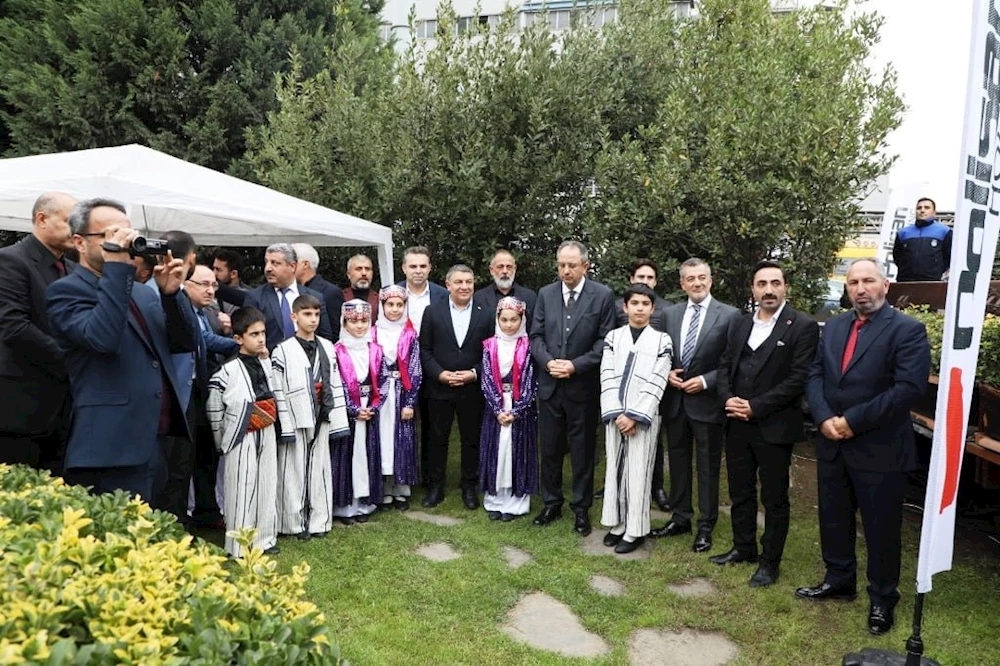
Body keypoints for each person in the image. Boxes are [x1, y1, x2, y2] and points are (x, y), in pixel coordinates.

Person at [798, 258, 930, 636]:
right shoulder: (836, 325)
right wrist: (823, 417)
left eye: (868, 280)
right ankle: (839, 579)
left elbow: (908, 390)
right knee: (834, 518)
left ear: (885, 285)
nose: (860, 288)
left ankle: (883, 598)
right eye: (853, 282)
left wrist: (851, 421)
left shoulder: (907, 330)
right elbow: (816, 373)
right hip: (832, 442)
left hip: (879, 447)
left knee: (881, 528)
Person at [47, 198, 196, 501]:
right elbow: (102, 340)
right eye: (111, 236)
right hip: (109, 448)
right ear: (79, 242)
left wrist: (171, 294)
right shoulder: (65, 291)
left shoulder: (142, 294)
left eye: (126, 234)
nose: (123, 242)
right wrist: (117, 268)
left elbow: (184, 343)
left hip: (155, 441)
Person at [710, 261, 819, 588]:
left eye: (775, 283)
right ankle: (743, 548)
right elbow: (726, 365)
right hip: (737, 424)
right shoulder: (740, 324)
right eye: (761, 284)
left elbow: (798, 379)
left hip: (774, 426)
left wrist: (755, 407)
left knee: (774, 498)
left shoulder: (802, 326)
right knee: (740, 491)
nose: (768, 289)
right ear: (753, 289)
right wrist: (727, 398)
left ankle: (770, 562)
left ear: (785, 286)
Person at [650, 258, 739, 553]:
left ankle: (706, 525)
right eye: (691, 279)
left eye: (702, 278)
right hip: (675, 402)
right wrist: (667, 372)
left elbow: (731, 363)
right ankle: (680, 517)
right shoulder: (669, 314)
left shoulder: (729, 315)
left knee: (707, 466)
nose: (697, 283)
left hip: (707, 403)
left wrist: (705, 381)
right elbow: (659, 352)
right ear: (682, 284)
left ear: (711, 281)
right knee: (677, 463)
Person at [530, 240, 616, 537]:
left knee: (582, 452)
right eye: (561, 265)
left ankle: (581, 509)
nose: (565, 270)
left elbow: (605, 342)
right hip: (550, 385)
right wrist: (548, 362)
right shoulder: (546, 293)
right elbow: (536, 336)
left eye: (571, 265)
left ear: (585, 266)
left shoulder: (602, 295)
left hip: (582, 388)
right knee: (550, 449)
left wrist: (575, 365)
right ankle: (551, 502)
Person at [206, 307, 292, 557]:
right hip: (241, 434)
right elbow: (214, 408)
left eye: (263, 333)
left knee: (267, 484)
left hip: (266, 430)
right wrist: (223, 440)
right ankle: (239, 543)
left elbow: (276, 394)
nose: (261, 339)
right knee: (241, 487)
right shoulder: (226, 371)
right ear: (238, 339)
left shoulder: (266, 365)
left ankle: (265, 538)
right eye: (254, 334)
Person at [0, 191, 76, 472]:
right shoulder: (10, 261)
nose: (76, 230)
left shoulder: (72, 269)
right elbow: (14, 327)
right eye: (69, 221)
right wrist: (73, 361)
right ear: (41, 219)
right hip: (19, 411)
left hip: (64, 414)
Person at [599, 284, 673, 554]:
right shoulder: (613, 337)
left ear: (652, 309)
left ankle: (635, 529)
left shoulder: (661, 340)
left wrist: (634, 415)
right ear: (625, 306)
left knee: (639, 471)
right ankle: (617, 523)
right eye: (635, 303)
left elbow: (658, 379)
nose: (639, 308)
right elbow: (606, 374)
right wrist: (617, 412)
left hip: (642, 417)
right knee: (615, 470)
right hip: (615, 416)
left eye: (645, 304)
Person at [272, 294, 349, 539]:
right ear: (294, 317)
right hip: (296, 415)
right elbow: (278, 390)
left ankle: (319, 521)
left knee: (320, 468)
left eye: (316, 314)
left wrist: (337, 417)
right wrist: (284, 424)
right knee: (291, 470)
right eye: (307, 314)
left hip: (322, 412)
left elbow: (335, 382)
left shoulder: (327, 346)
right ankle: (292, 523)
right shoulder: (282, 351)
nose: (313, 319)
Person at [419, 265, 495, 509]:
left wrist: (473, 374)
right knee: (436, 439)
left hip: (471, 388)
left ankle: (469, 487)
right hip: (439, 386)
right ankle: (435, 487)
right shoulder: (432, 312)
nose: (464, 287)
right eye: (459, 282)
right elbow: (424, 349)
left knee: (470, 439)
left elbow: (492, 352)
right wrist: (440, 374)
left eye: (469, 282)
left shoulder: (486, 314)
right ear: (448, 284)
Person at [611, 258, 671, 511]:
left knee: (653, 440)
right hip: (622, 385)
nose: (645, 281)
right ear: (631, 279)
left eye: (649, 278)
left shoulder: (666, 310)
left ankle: (655, 485)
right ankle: (616, 483)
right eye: (640, 277)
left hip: (652, 387)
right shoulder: (617, 308)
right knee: (618, 439)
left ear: (655, 282)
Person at [184, 264, 241, 529]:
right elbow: (203, 339)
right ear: (185, 283)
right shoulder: (182, 309)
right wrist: (239, 344)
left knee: (208, 453)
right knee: (188, 455)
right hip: (186, 392)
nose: (210, 290)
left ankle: (207, 511)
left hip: (205, 390)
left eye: (214, 285)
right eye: (203, 284)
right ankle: (187, 514)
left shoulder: (207, 312)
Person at [478, 296, 538, 521]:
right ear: (498, 319)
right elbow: (486, 378)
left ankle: (516, 503)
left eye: (514, 320)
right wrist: (497, 408)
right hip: (496, 407)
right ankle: (495, 499)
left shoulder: (528, 346)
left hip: (520, 409)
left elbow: (531, 381)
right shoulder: (489, 345)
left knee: (516, 452)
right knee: (497, 451)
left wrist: (517, 410)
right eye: (504, 320)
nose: (509, 324)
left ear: (521, 320)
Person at [396, 245, 448, 494]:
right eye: (413, 266)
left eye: (422, 266)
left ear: (430, 268)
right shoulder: (393, 292)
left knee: (431, 424)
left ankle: (430, 479)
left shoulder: (441, 294)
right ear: (404, 267)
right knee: (399, 423)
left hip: (430, 364)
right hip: (398, 367)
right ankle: (399, 477)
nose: (418, 271)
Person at [332, 300, 387, 524]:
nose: (359, 326)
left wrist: (373, 406)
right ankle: (345, 507)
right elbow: (337, 384)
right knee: (348, 457)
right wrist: (352, 410)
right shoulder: (337, 351)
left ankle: (365, 503)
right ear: (344, 322)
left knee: (367, 454)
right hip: (348, 414)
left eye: (364, 321)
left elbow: (382, 382)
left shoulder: (375, 350)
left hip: (369, 410)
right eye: (353, 321)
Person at [217, 243, 333, 351]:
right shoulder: (255, 298)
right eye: (266, 262)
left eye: (275, 263)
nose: (268, 268)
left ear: (292, 266)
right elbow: (249, 338)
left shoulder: (314, 296)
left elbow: (325, 337)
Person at [372, 285, 422, 510]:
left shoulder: (410, 334)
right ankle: (383, 489)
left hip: (402, 392)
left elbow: (415, 368)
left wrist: (410, 401)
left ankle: (401, 490)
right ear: (382, 306)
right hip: (380, 394)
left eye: (399, 305)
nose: (394, 309)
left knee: (402, 438)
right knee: (382, 437)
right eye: (390, 305)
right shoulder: (372, 332)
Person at [892, 197, 952, 282]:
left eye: (927, 208)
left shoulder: (944, 231)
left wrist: (936, 271)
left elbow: (948, 257)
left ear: (934, 212)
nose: (922, 210)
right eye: (919, 208)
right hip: (905, 281)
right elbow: (897, 256)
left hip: (932, 282)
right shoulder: (903, 233)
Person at [293, 243, 345, 339]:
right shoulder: (292, 290)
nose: (289, 267)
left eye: (293, 263)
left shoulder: (330, 292)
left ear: (305, 264)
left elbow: (336, 332)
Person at [473, 249, 537, 322]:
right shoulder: (479, 298)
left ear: (515, 269)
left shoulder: (529, 297)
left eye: (509, 267)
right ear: (491, 270)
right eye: (500, 267)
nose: (505, 271)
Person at [213, 249, 250, 314]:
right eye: (214, 268)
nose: (214, 273)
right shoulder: (208, 292)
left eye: (218, 270)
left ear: (233, 274)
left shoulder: (250, 297)